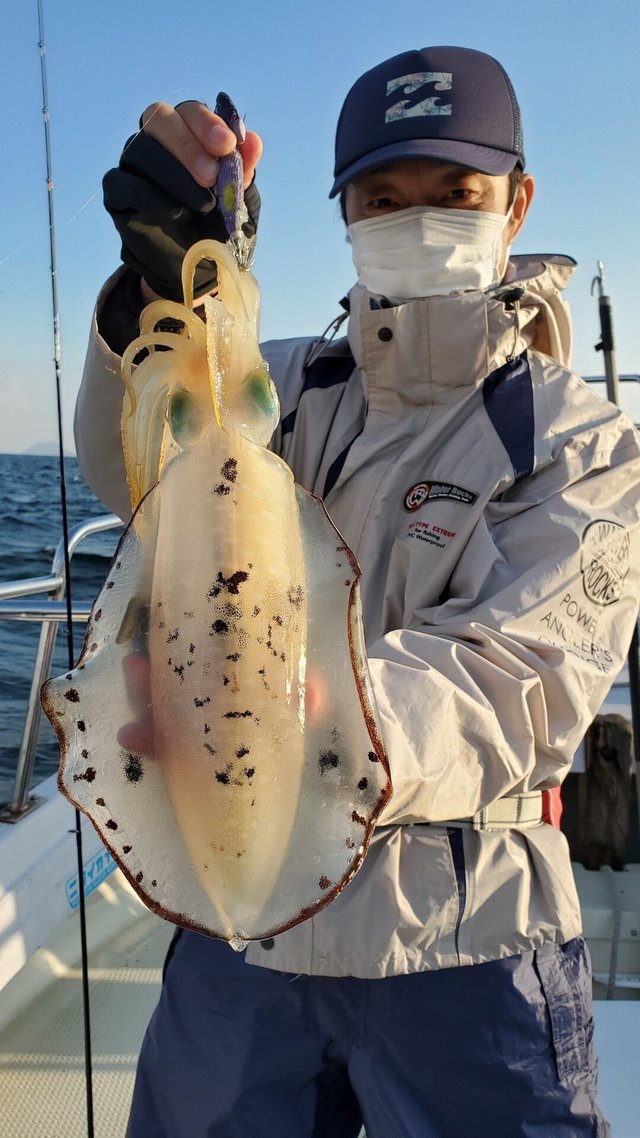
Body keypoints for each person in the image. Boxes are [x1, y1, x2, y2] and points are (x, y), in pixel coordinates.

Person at [75, 45, 640, 1138]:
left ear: (514, 205)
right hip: (244, 935)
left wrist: (281, 714)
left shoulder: (585, 441)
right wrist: (154, 288)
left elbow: (514, 674)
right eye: (384, 197)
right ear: (343, 211)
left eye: (454, 194)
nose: (415, 218)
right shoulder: (279, 385)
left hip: (467, 937)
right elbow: (136, 471)